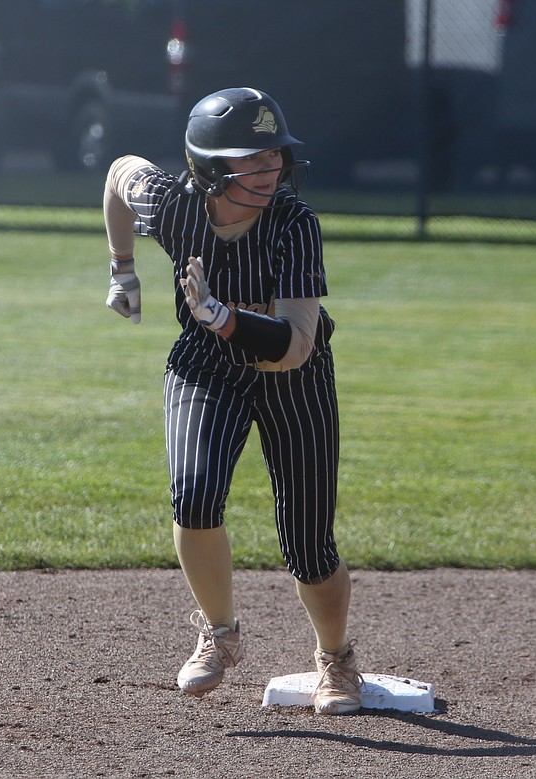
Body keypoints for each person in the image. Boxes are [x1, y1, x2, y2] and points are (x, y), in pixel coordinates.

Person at [101, 87, 362, 714]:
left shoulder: (294, 223)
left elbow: (297, 345)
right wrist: (121, 267)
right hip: (205, 366)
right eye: (252, 158)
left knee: (307, 545)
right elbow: (118, 175)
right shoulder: (174, 206)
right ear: (211, 170)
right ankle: (219, 634)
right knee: (193, 494)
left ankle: (336, 659)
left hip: (292, 378)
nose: (270, 168)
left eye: (275, 154)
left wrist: (227, 318)